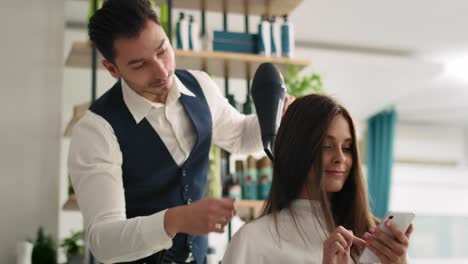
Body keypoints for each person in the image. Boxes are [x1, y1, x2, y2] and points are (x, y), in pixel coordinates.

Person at [67, 0, 293, 263]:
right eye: (140, 65)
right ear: (112, 69)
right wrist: (176, 219)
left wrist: (278, 117)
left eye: (162, 51)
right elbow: (103, 241)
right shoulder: (96, 130)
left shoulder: (200, 85)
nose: (162, 71)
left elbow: (240, 136)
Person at [222, 94, 414, 264]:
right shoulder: (253, 241)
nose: (340, 158)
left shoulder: (371, 242)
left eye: (346, 148)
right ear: (296, 150)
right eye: (327, 146)